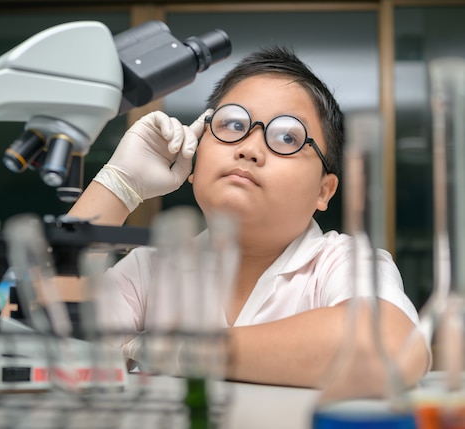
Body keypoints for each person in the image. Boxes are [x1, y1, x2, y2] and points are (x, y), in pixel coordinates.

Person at [66, 46, 430, 389]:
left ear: (324, 190)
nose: (250, 149)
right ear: (194, 159)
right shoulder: (151, 269)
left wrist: (179, 351)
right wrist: (118, 184)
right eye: (234, 125)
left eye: (287, 137)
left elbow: (390, 347)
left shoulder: (342, 264)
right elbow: (36, 336)